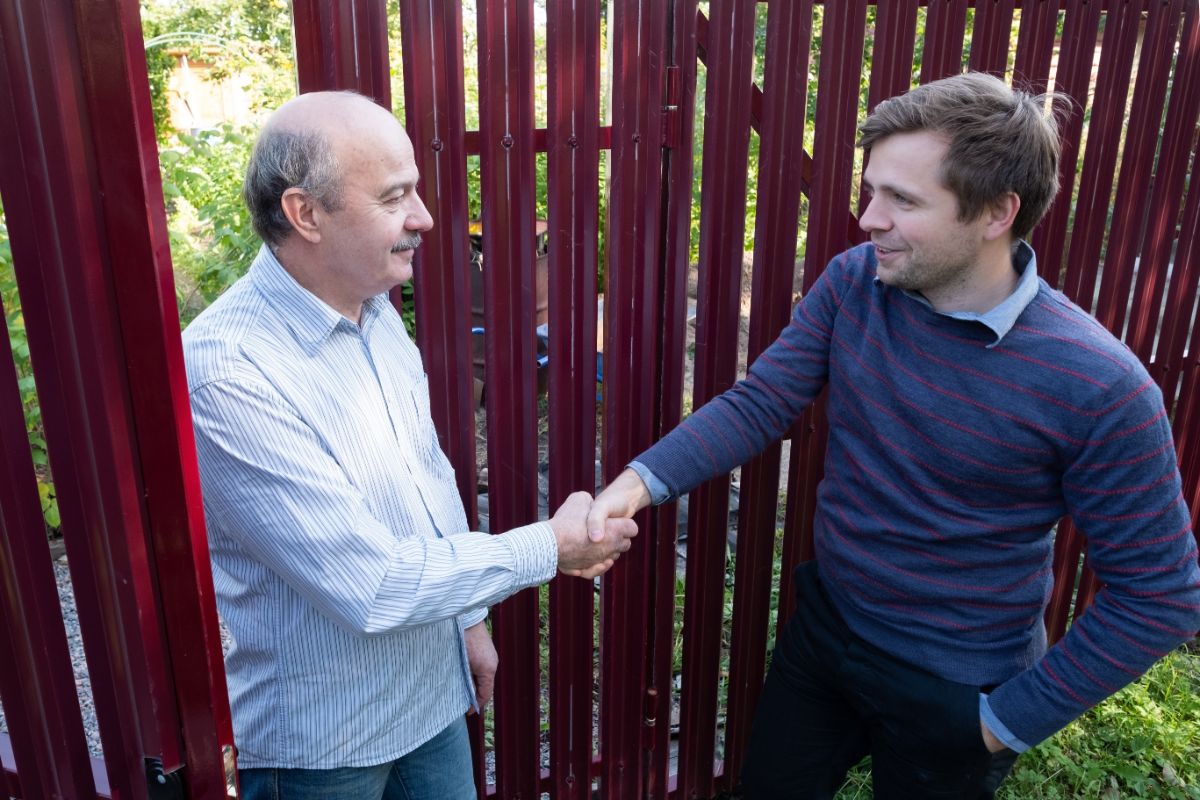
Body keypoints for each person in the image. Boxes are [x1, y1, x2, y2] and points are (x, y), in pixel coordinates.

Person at [586, 72, 1200, 799]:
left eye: (902, 200)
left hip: (958, 682)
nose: (868, 219)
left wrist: (1000, 724)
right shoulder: (858, 283)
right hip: (828, 631)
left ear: (997, 213)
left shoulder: (1098, 385)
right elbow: (762, 404)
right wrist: (630, 487)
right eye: (871, 189)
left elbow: (1159, 595)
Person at [182, 90, 636, 800]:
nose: (424, 218)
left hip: (429, 703)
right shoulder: (228, 371)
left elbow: (426, 475)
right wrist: (551, 546)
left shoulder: (376, 311)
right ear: (306, 214)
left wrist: (469, 621)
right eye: (395, 197)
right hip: (326, 748)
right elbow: (371, 585)